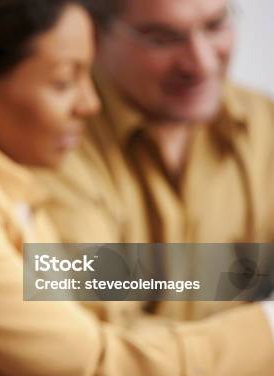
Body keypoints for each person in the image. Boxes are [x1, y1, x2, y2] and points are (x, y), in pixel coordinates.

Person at [0, 0, 274, 376]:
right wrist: (265, 329)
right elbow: (99, 367)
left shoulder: (6, 181)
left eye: (215, 25)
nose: (90, 104)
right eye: (65, 82)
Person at [35, 0, 274, 244]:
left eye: (215, 25)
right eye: (163, 38)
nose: (202, 63)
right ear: (92, 33)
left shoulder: (264, 121)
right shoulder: (54, 141)